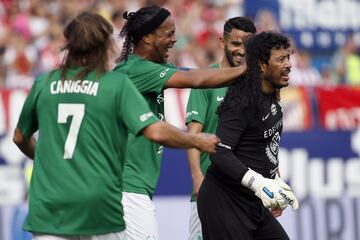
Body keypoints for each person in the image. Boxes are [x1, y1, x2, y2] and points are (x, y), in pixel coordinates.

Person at [12, 12, 219, 240]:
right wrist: (196, 140)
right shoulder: (112, 85)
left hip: (49, 204)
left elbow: (20, 137)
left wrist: (47, 161)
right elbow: (155, 130)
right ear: (104, 46)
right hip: (99, 202)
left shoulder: (44, 83)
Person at [114, 5, 247, 240]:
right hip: (127, 189)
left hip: (129, 189)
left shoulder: (150, 69)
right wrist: (249, 69)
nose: (175, 40)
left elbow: (196, 75)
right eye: (168, 34)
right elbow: (196, 79)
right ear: (147, 37)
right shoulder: (137, 69)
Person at [197, 31, 299, 240]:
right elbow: (219, 152)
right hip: (224, 202)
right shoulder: (242, 101)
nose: (288, 64)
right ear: (261, 65)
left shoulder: (272, 96)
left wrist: (275, 181)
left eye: (288, 57)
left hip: (251, 202)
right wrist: (259, 183)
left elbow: (263, 145)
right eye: (281, 59)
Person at [185, 16, 256, 240]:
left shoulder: (257, 85)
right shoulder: (206, 80)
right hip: (210, 191)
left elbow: (263, 140)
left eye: (247, 44)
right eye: (236, 43)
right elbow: (192, 137)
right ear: (222, 42)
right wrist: (197, 177)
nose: (241, 50)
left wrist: (274, 181)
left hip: (246, 195)